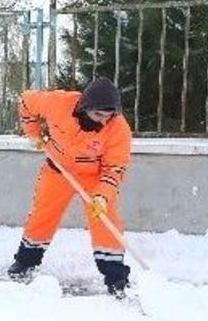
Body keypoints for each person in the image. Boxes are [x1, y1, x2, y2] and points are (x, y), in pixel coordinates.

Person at [8, 77, 133, 296]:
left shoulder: (118, 129)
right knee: (42, 216)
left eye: (108, 116)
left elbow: (114, 168)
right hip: (57, 170)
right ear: (85, 107)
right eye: (98, 115)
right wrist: (33, 133)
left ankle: (116, 276)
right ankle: (25, 262)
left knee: (105, 220)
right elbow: (26, 102)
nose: (104, 122)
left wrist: (102, 196)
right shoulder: (58, 103)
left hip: (94, 177)